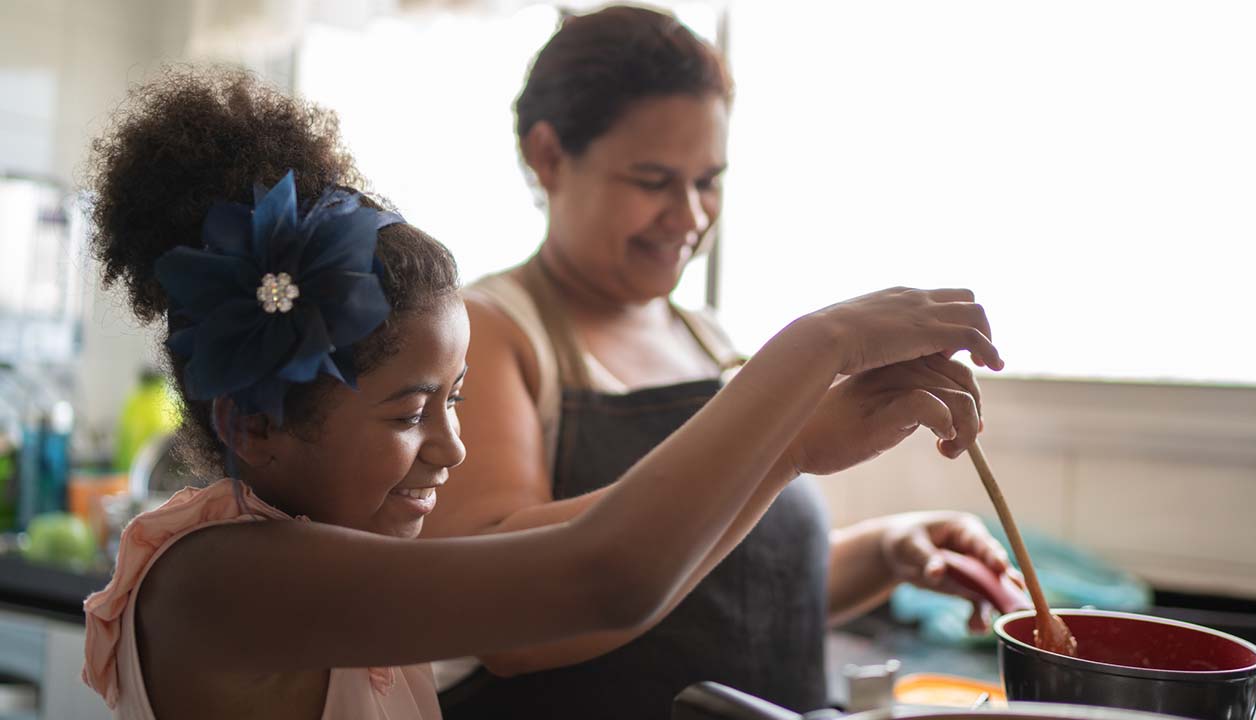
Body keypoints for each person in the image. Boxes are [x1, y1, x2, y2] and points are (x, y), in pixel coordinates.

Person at [79, 68, 1003, 720]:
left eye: (455, 398)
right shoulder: (226, 580)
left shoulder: (311, 560)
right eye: (409, 412)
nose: (453, 445)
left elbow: (624, 573)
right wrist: (819, 344)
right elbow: (605, 578)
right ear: (255, 424)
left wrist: (794, 447)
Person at [423, 6, 1018, 718]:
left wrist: (888, 553)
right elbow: (505, 621)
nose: (690, 216)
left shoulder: (704, 338)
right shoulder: (493, 333)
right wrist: (789, 434)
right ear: (548, 156)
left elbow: (721, 586)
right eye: (652, 181)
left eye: (708, 181)